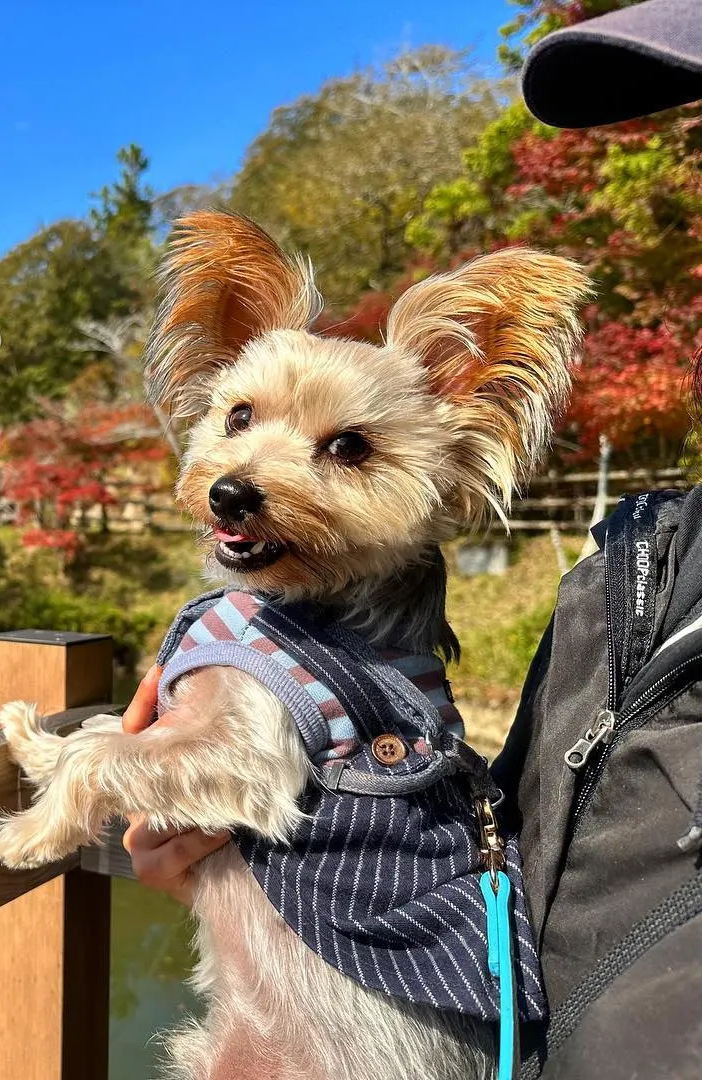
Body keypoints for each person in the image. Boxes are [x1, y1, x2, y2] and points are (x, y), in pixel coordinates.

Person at [122, 4, 702, 1070]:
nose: (248, 476)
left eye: (344, 450)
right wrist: (258, 839)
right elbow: (516, 852)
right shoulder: (638, 570)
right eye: (237, 418)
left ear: (461, 431)